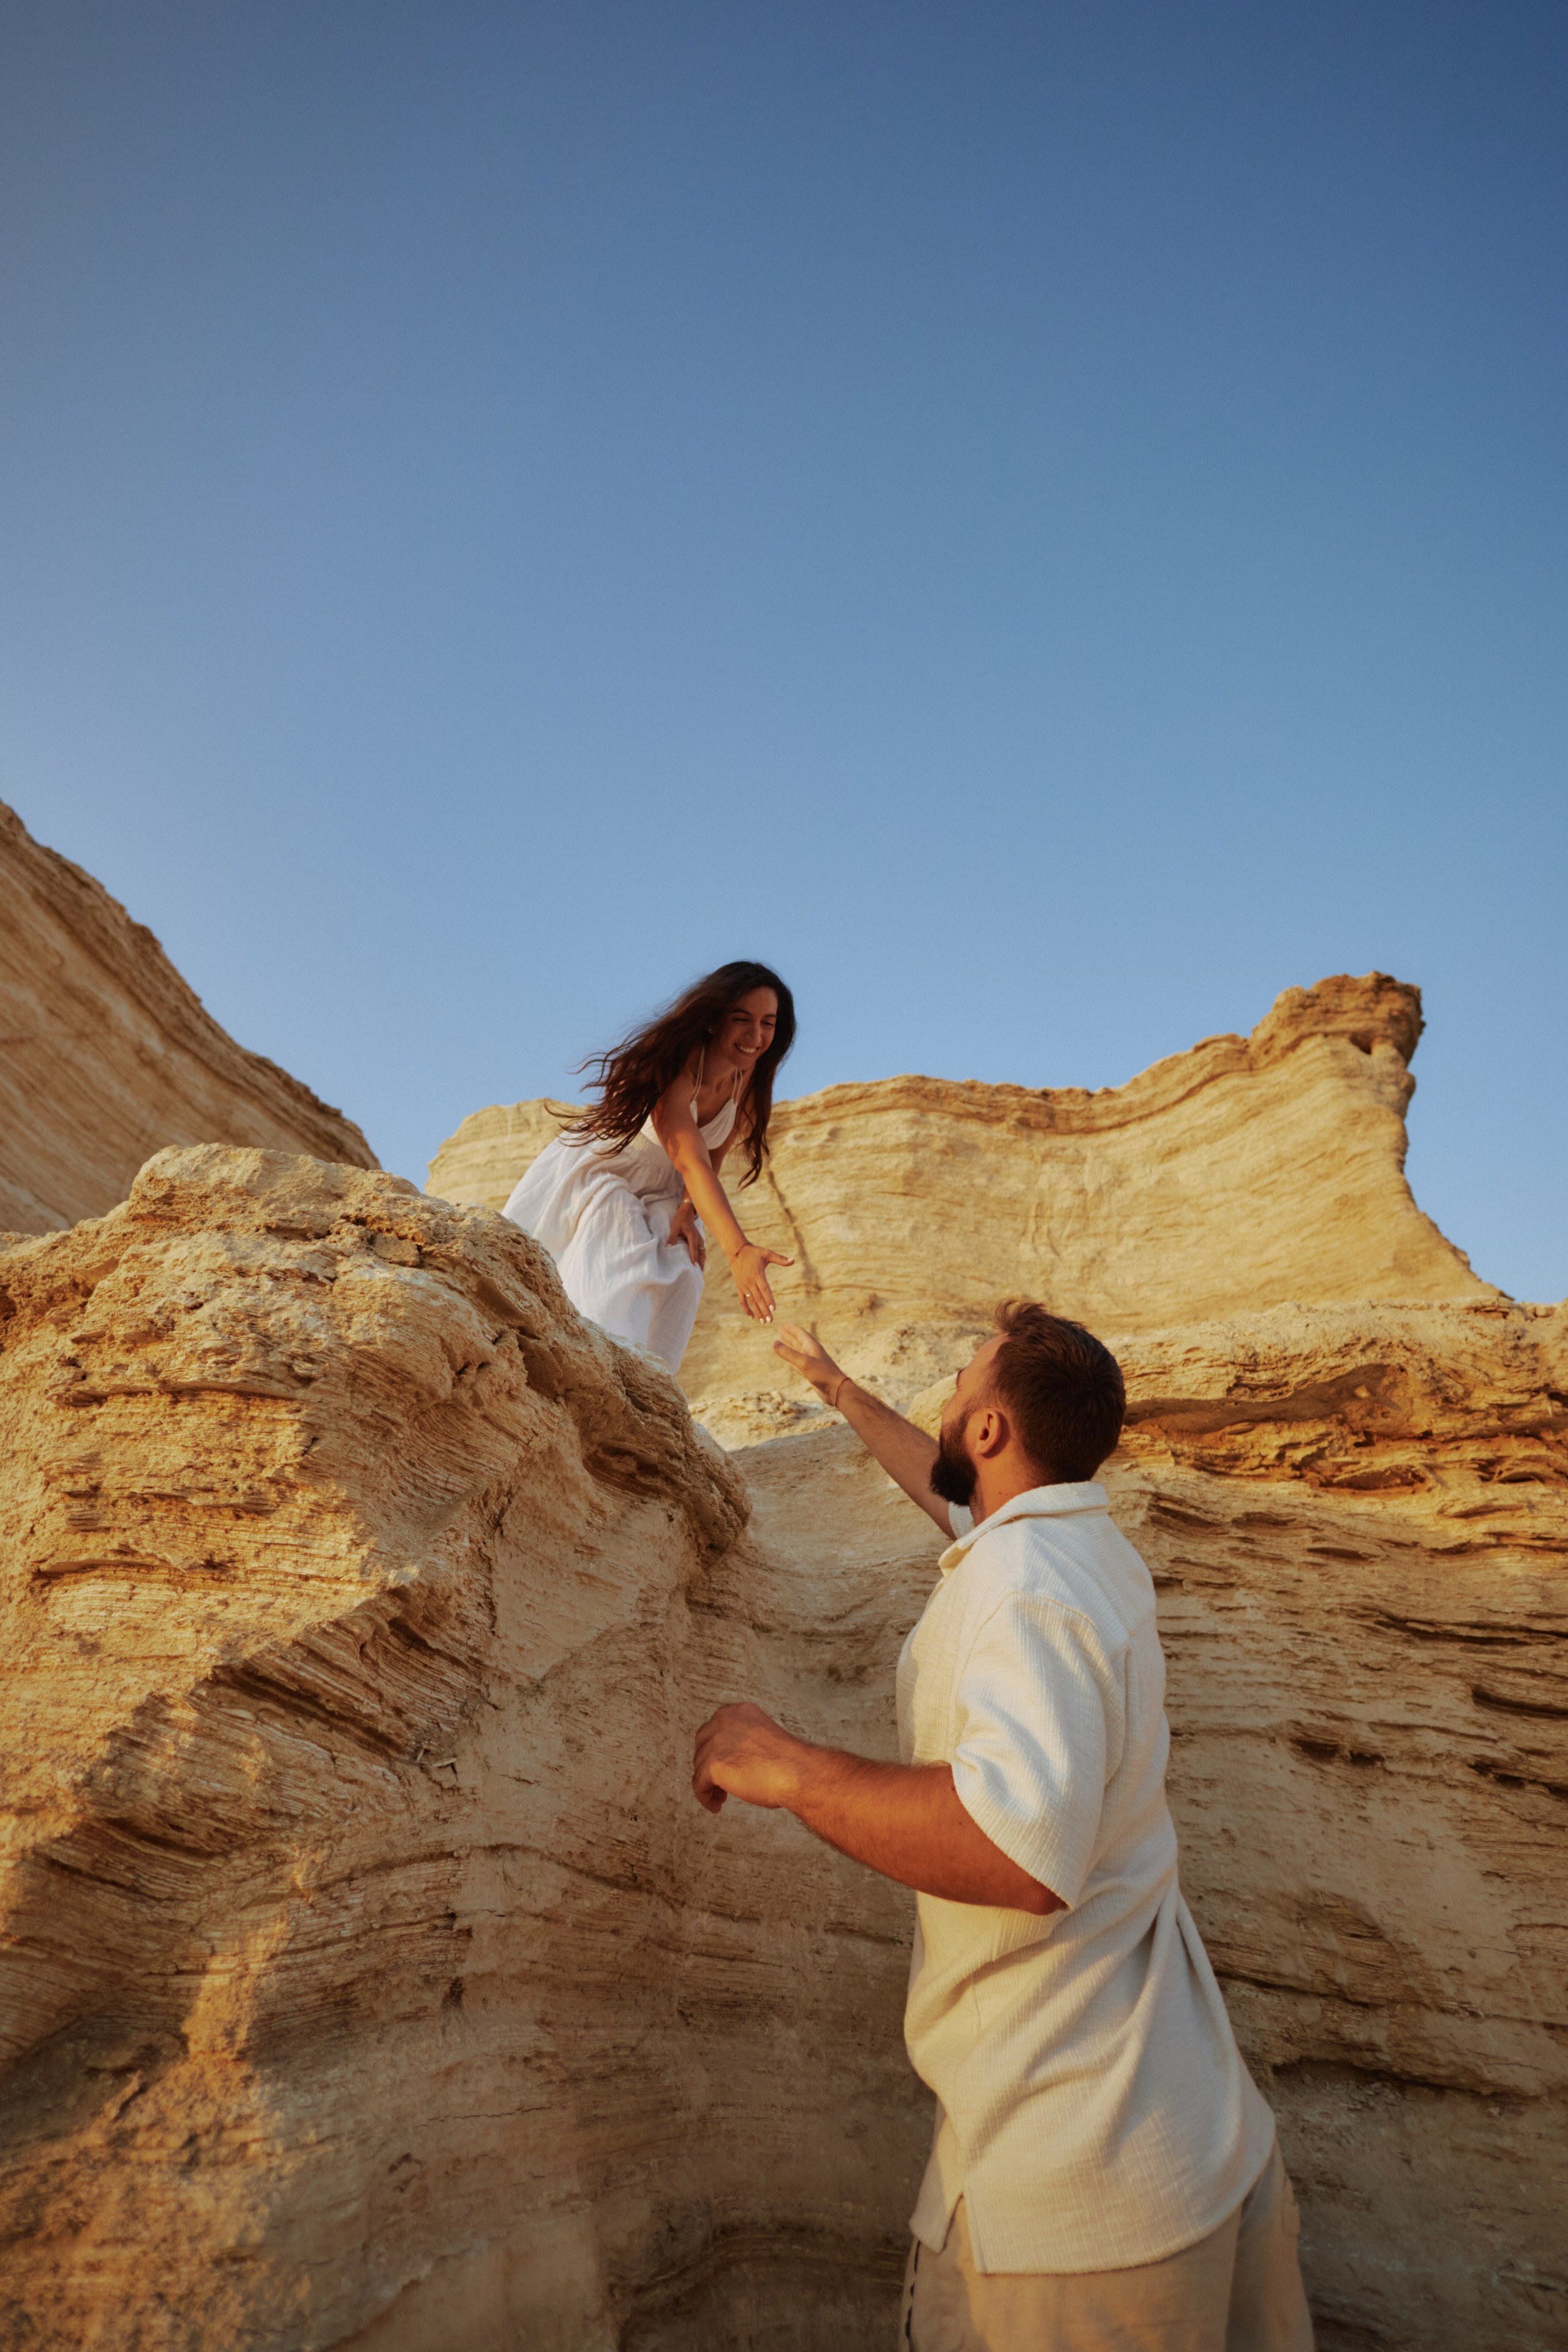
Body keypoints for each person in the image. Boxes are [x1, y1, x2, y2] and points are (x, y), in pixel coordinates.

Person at [691, 1303, 1314, 2352]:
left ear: (986, 1434)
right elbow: (967, 1521)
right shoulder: (1077, 1548)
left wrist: (789, 1768)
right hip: (1187, 2145)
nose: (943, 1403)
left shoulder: (1024, 1591)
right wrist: (839, 1389)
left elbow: (1014, 1849)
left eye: (960, 1386)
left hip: (1080, 2214)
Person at [502, 961, 796, 1373]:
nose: (756, 1037)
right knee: (618, 1256)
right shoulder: (677, 1070)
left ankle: (645, 1384)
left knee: (684, 1268)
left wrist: (688, 1210)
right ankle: (593, 1370)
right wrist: (739, 1250)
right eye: (741, 1020)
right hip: (604, 1167)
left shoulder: (745, 1082)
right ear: (713, 1020)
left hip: (664, 1188)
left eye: (769, 1023)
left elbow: (713, 1157)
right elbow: (692, 1162)